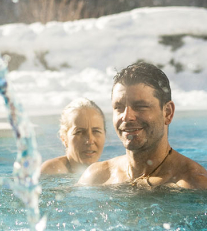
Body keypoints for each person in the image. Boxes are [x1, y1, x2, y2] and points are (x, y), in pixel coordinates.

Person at [78, 62, 207, 189]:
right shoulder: (97, 177)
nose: (126, 116)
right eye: (119, 107)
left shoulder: (194, 183)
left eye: (140, 106)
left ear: (167, 112)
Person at [41, 97, 106, 176]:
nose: (90, 141)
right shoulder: (53, 170)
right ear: (64, 138)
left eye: (96, 131)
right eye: (80, 132)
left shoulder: (106, 171)